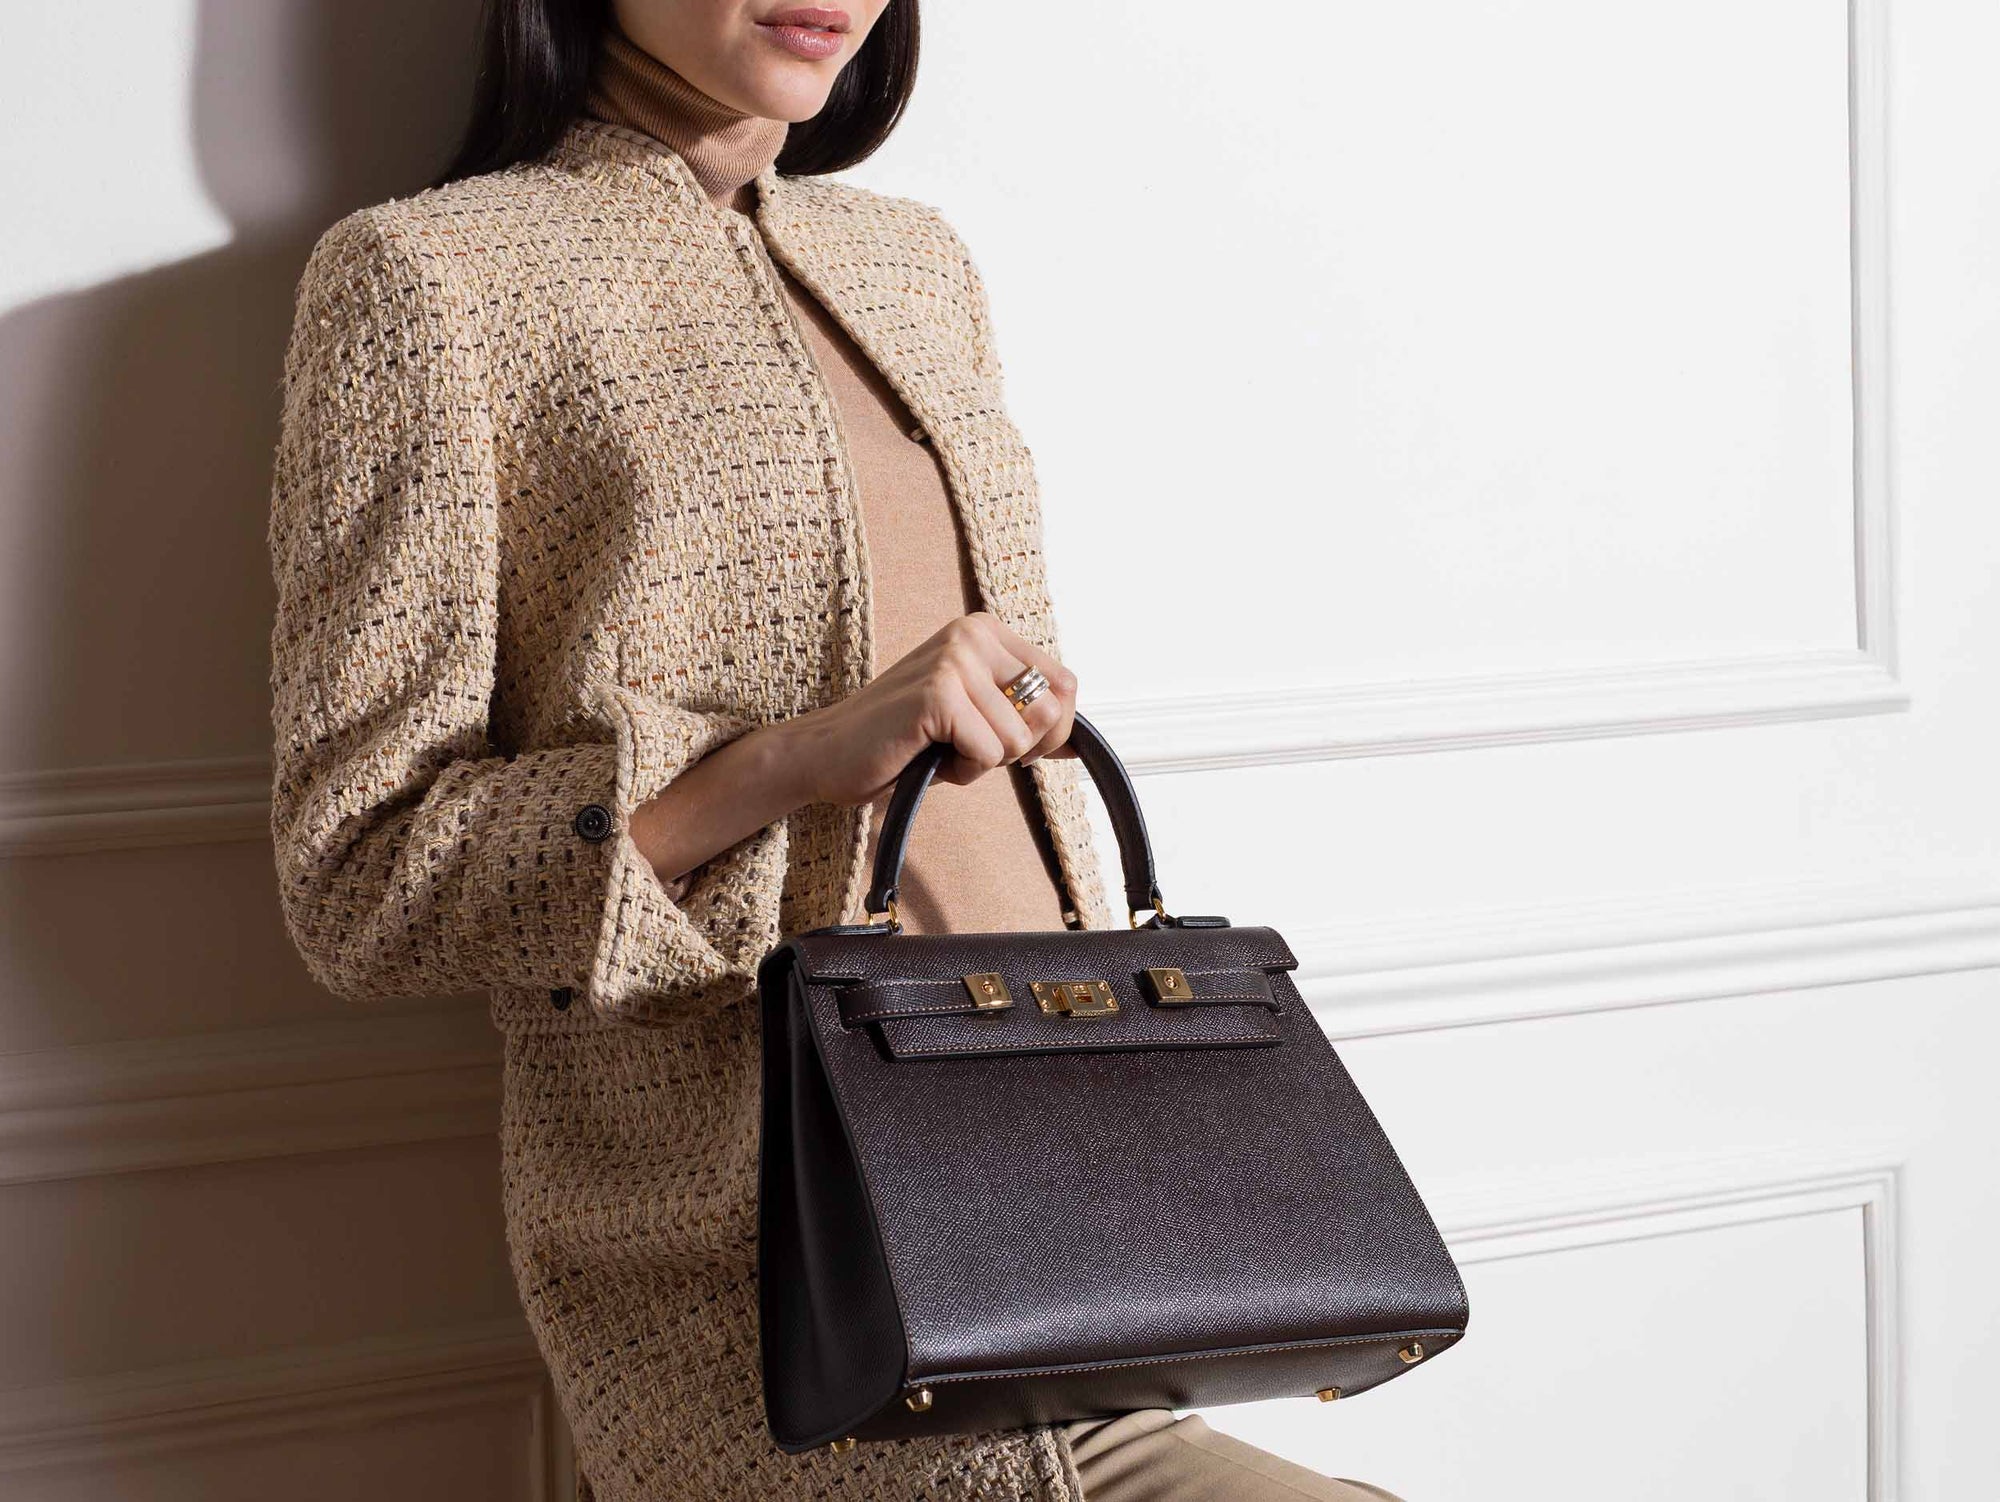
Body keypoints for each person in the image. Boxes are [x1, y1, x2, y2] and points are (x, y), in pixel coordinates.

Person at [266, 3, 1406, 1499]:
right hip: (773, 1311)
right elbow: (363, 873)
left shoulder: (914, 264)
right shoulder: (431, 281)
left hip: (1084, 1230)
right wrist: (793, 760)